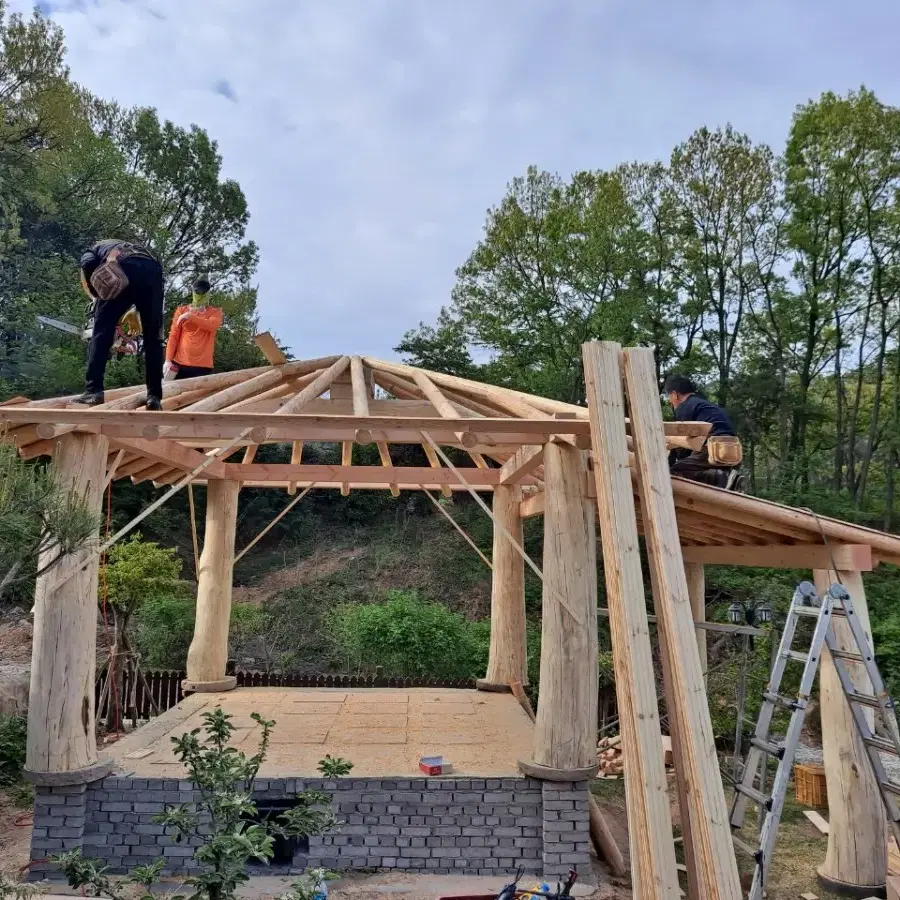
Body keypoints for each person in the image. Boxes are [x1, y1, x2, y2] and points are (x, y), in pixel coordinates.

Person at [76, 239, 164, 408]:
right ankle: (154, 396)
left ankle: (93, 391)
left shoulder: (93, 249)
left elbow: (87, 264)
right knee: (153, 338)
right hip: (154, 270)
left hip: (123, 266)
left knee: (101, 334)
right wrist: (135, 309)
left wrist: (98, 296)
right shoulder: (130, 246)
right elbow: (141, 277)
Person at [662, 373, 745, 491]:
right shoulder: (704, 405)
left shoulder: (685, 407)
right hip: (733, 450)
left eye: (669, 397)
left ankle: (721, 477)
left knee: (676, 471)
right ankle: (729, 479)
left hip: (711, 447)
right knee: (695, 465)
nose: (670, 402)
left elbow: (682, 443)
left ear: (674, 395)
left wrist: (670, 464)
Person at [163, 277, 223, 381]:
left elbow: (212, 325)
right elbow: (173, 336)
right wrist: (168, 360)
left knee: (200, 397)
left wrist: (190, 316)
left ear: (208, 293)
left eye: (203, 292)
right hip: (179, 364)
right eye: (197, 292)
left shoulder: (215, 312)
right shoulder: (181, 310)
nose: (200, 295)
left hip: (202, 367)